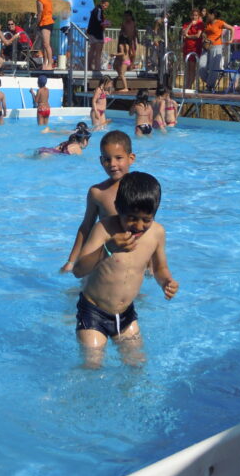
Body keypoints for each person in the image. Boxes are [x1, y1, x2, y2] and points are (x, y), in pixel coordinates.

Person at [72, 171, 177, 367]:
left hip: (126, 314)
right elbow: (78, 270)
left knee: (137, 365)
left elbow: (160, 268)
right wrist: (107, 249)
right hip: (93, 312)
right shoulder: (104, 229)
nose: (138, 226)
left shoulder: (157, 233)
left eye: (147, 219)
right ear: (118, 209)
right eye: (131, 218)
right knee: (92, 365)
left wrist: (166, 282)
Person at [60, 130, 136, 274]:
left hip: (132, 258)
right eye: (107, 159)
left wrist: (151, 263)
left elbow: (147, 226)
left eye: (118, 158)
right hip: (104, 257)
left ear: (131, 158)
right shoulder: (98, 192)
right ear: (101, 161)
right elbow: (86, 227)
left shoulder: (141, 190)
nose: (112, 164)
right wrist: (71, 261)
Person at [199, 10, 235, 92]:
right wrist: (204, 37)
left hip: (216, 46)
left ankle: (209, 86)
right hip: (206, 46)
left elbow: (232, 28)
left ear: (213, 15)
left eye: (209, 14)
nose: (207, 16)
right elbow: (204, 33)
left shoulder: (220, 22)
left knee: (213, 67)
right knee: (201, 66)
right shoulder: (207, 23)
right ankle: (210, 82)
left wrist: (231, 39)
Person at [181, 9, 204, 90]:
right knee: (187, 68)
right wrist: (190, 24)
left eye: (196, 15)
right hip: (187, 48)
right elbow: (184, 33)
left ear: (198, 16)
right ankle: (187, 85)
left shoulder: (200, 24)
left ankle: (189, 86)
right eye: (193, 15)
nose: (194, 17)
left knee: (192, 68)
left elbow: (197, 36)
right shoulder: (186, 24)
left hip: (195, 48)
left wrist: (188, 36)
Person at [34, 0, 54, 70]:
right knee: (44, 45)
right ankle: (45, 64)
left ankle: (50, 63)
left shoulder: (40, 0)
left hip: (45, 22)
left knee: (46, 44)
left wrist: (37, 23)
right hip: (49, 22)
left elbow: (40, 12)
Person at [86, 0, 110, 71]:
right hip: (96, 33)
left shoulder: (95, 9)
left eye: (107, 6)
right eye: (105, 5)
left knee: (92, 50)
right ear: (101, 3)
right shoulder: (99, 10)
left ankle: (88, 66)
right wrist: (106, 23)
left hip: (91, 31)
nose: (105, 7)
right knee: (98, 50)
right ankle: (97, 67)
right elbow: (99, 21)